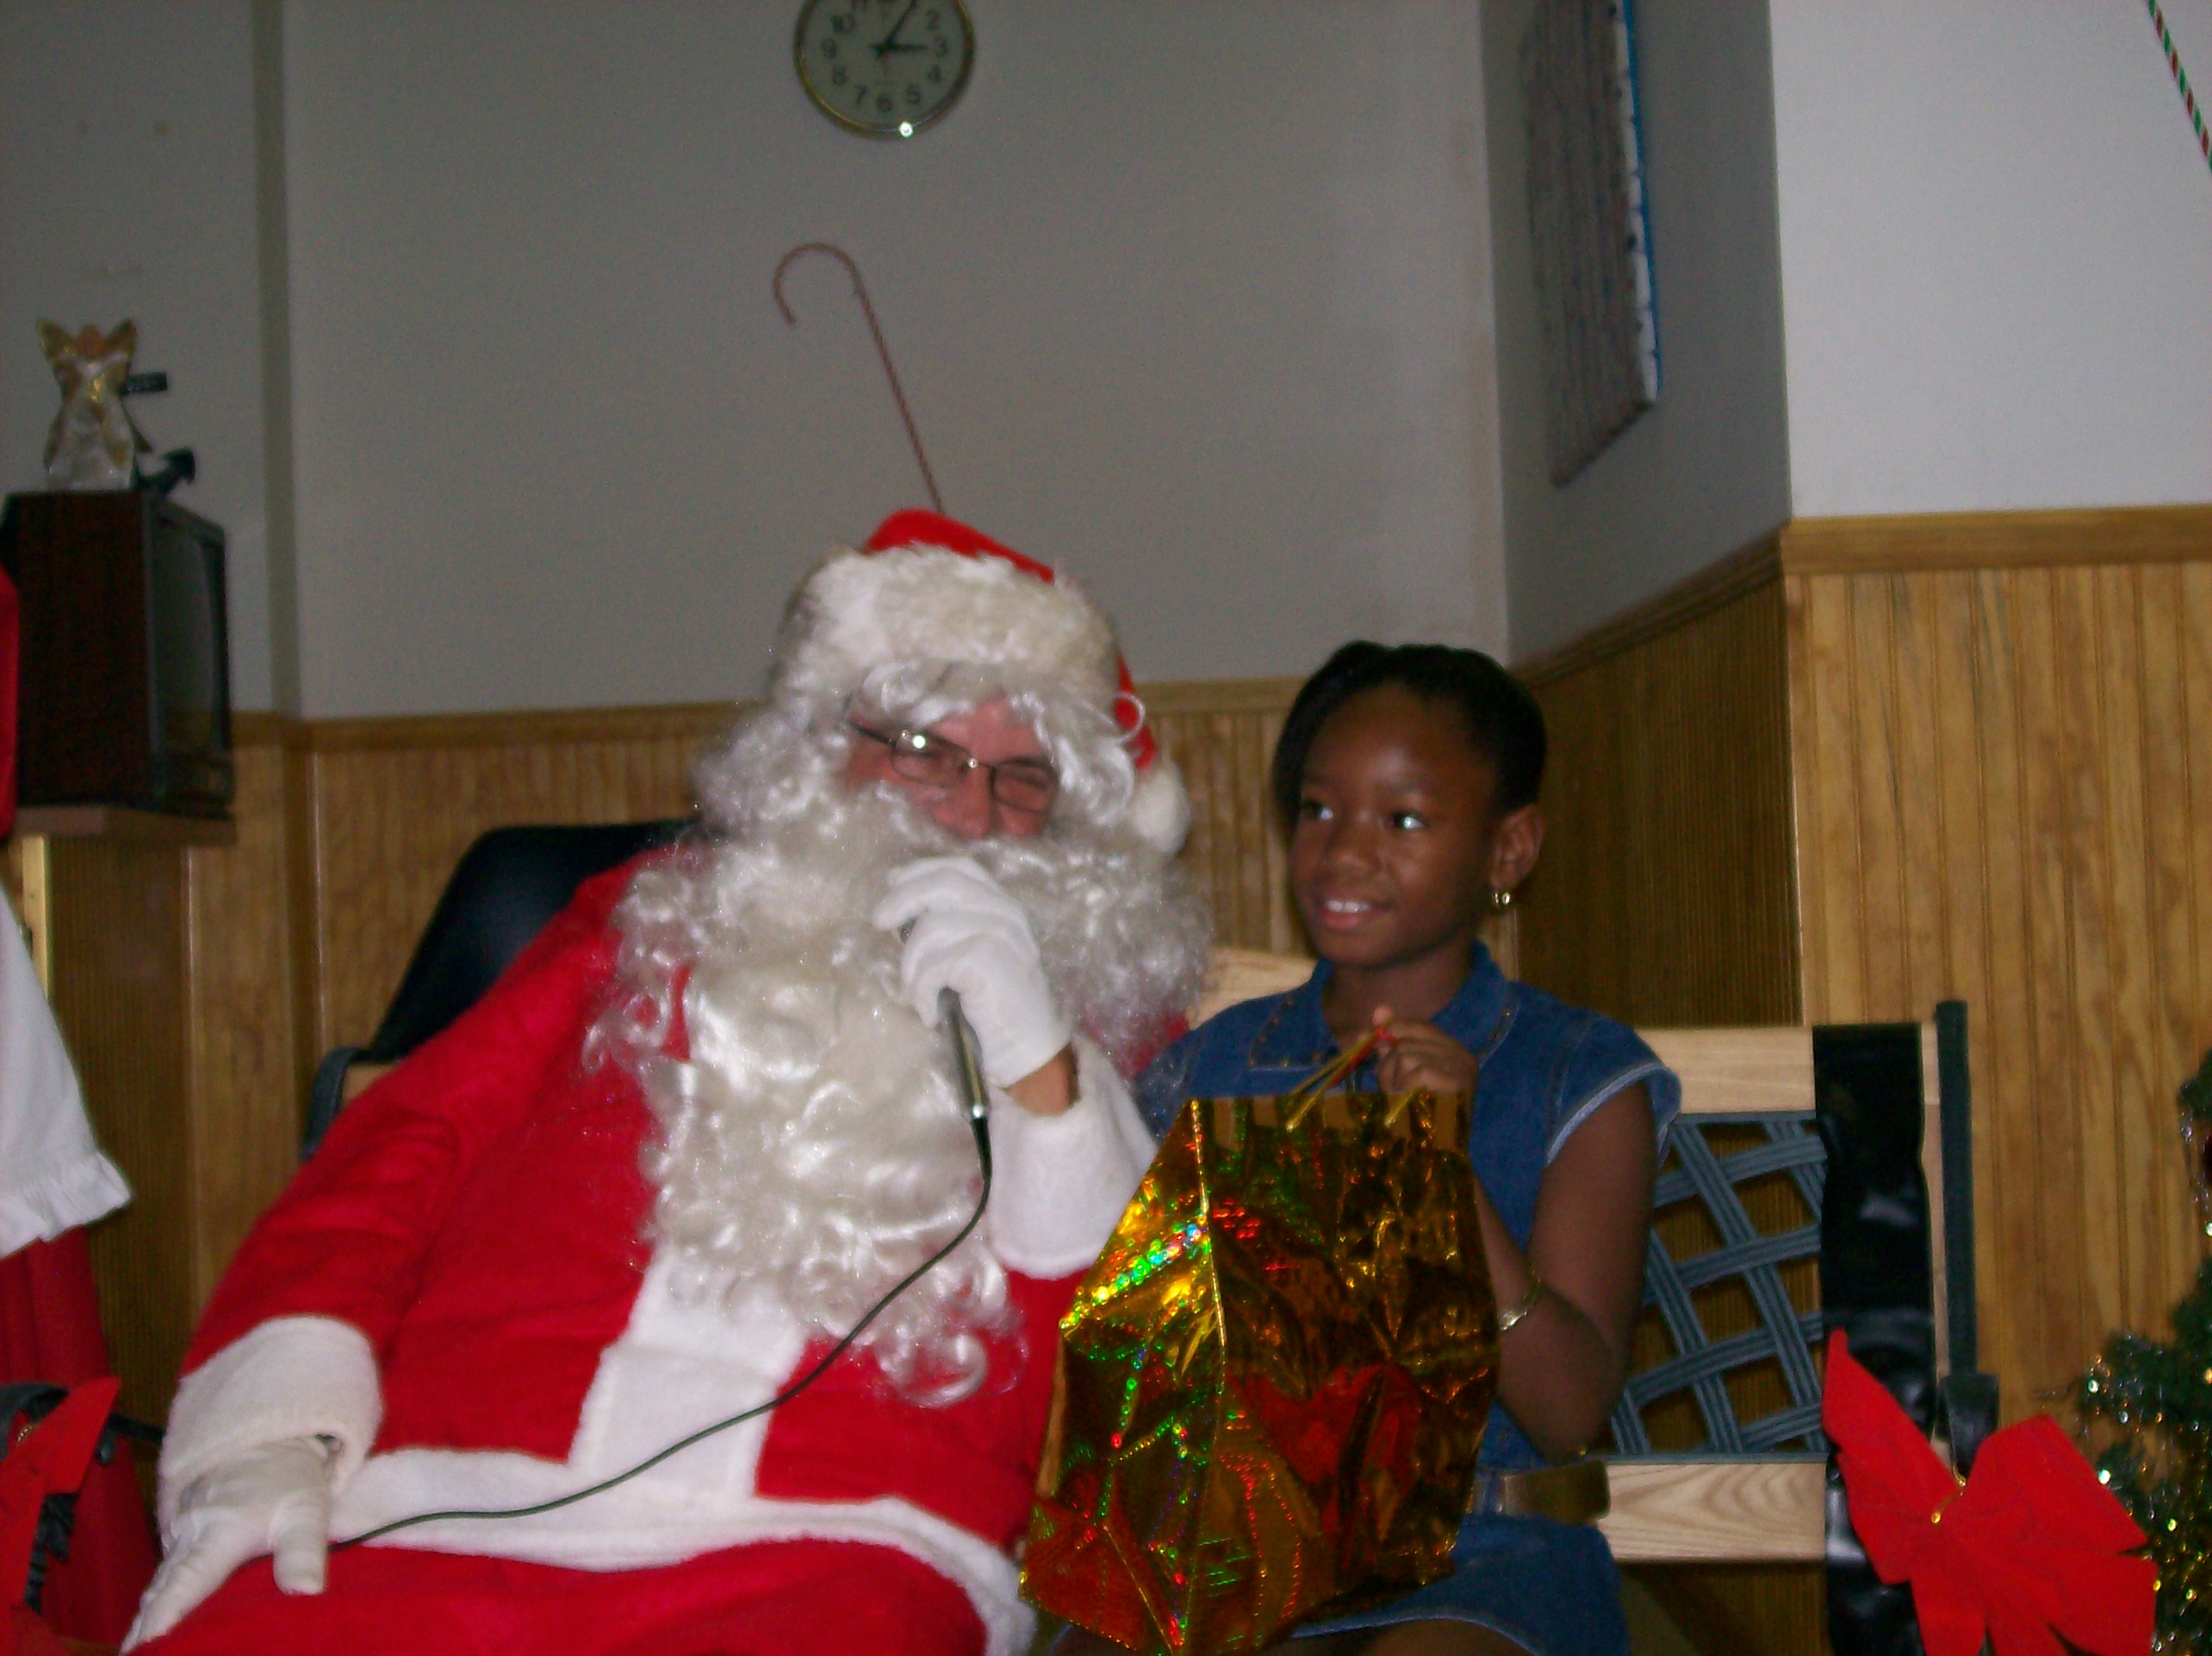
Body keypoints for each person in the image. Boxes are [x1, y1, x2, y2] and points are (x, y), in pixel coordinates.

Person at [125, 511, 1212, 1656]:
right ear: (820, 749)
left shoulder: (1085, 1027)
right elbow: (395, 1160)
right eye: (923, 750)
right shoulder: (633, 932)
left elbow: (1144, 1376)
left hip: (835, 1554)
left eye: (1023, 778)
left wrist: (1039, 1062)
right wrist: (271, 1439)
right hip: (442, 1513)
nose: (969, 811)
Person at [1105, 642, 1678, 1656]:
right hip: (1240, 1544)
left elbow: (1566, 1413)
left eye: (1402, 820)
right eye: (1318, 809)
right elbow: (1134, 1391)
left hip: (1487, 1553)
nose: (1343, 851)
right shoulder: (1208, 1069)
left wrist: (1442, 1170)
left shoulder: (1574, 1074)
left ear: (1509, 850)